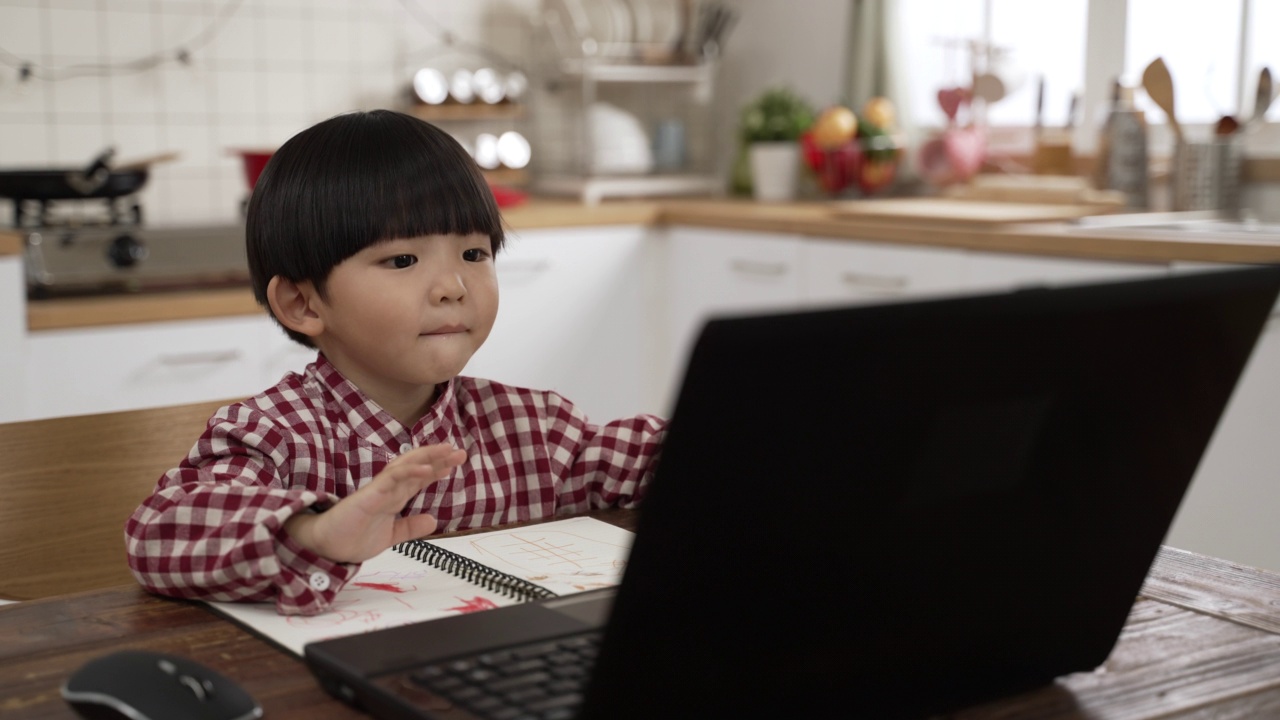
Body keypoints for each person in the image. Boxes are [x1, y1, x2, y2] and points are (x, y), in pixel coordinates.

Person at [125, 110, 666, 616]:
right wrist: (314, 533)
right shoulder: (271, 436)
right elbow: (158, 533)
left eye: (474, 254)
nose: (453, 287)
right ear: (303, 303)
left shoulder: (536, 429)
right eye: (403, 260)